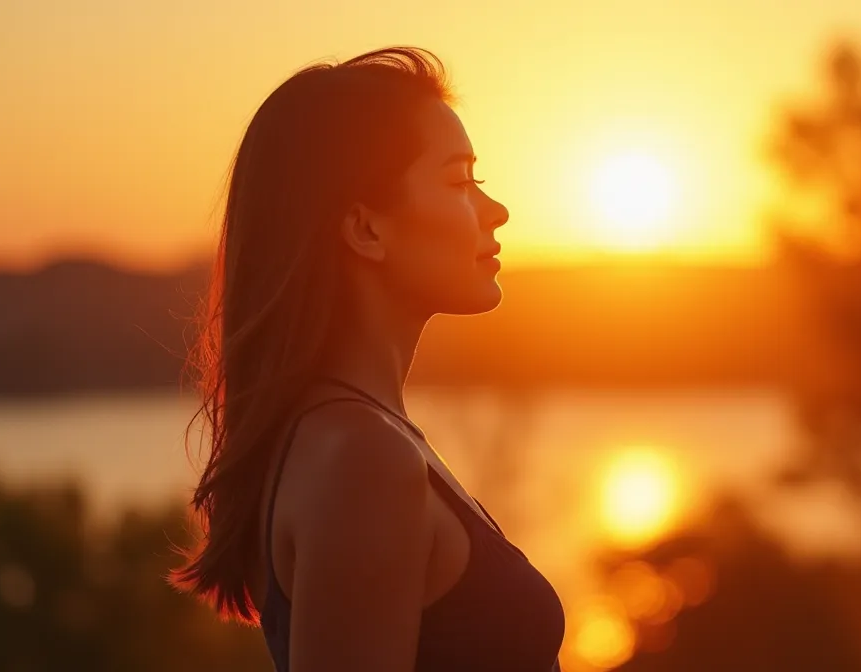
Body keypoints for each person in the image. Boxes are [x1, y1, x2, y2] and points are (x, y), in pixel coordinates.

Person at [169, 47, 565, 671]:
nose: (495, 211)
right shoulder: (362, 459)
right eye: (459, 181)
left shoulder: (363, 437)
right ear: (366, 230)